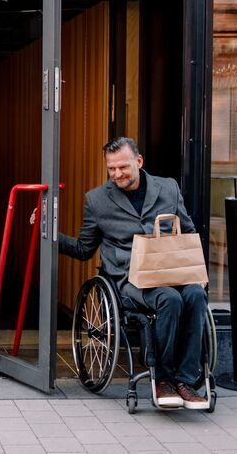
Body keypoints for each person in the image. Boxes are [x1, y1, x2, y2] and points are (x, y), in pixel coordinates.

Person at [59, 137, 208, 409]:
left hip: (172, 270)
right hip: (130, 280)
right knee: (170, 299)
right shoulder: (97, 200)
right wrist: (49, 235)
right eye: (111, 169)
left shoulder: (168, 188)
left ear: (138, 161)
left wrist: (195, 269)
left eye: (123, 167)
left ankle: (186, 380)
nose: (117, 174)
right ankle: (163, 380)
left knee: (196, 294)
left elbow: (187, 231)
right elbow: (84, 249)